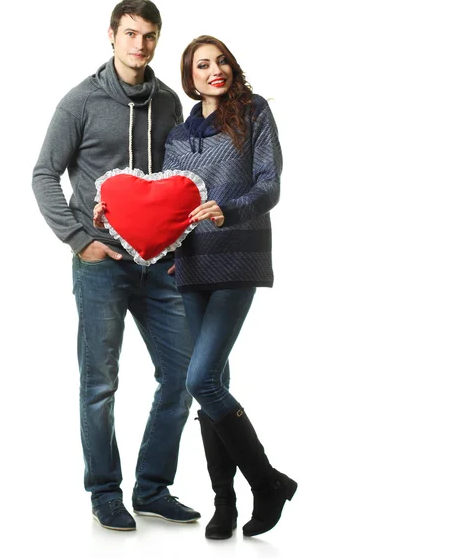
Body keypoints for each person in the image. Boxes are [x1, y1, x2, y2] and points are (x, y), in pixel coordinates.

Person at [31, 0, 200, 531]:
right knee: (100, 382)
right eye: (130, 33)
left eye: (149, 35)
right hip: (102, 261)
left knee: (185, 373)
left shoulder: (170, 104)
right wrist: (80, 239)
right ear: (111, 35)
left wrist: (182, 246)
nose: (140, 44)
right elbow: (43, 175)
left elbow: (179, 180)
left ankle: (152, 488)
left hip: (161, 265)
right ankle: (105, 490)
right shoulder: (80, 102)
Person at [161, 35, 297, 539]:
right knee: (213, 383)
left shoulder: (254, 112)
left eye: (221, 61)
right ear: (190, 77)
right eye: (202, 65)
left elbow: (270, 184)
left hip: (238, 256)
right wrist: (165, 247)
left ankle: (267, 482)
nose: (214, 70)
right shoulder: (177, 136)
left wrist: (229, 209)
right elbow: (172, 203)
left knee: (202, 380)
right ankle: (225, 505)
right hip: (191, 267)